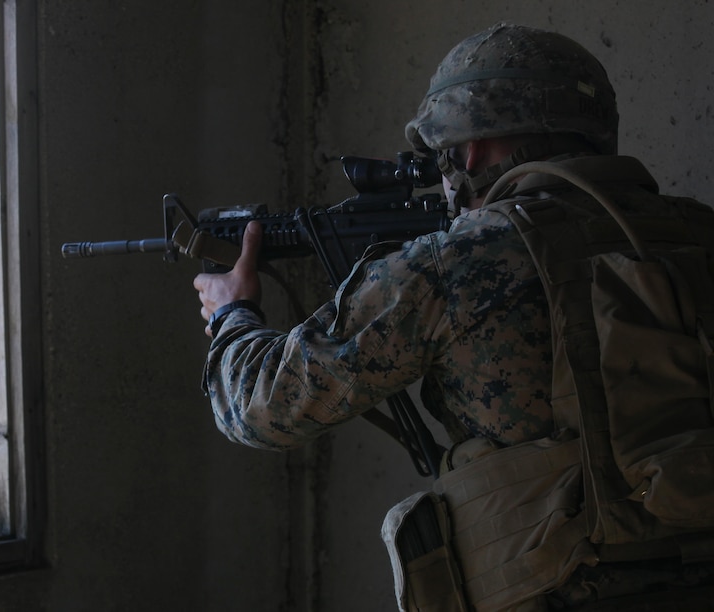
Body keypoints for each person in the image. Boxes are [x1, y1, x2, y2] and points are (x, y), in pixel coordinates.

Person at [193, 22, 714, 610]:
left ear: (469, 148)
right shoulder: (698, 232)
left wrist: (232, 312)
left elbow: (263, 408)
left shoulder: (456, 260)